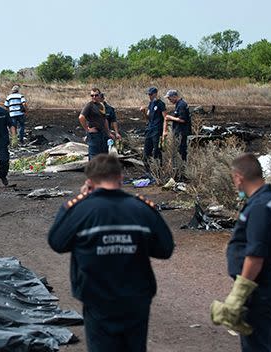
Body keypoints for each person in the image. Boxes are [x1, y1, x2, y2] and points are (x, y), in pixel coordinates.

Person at [48, 154, 174, 352]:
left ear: (89, 182)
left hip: (97, 299)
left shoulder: (81, 210)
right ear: (121, 178)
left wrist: (78, 200)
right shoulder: (141, 209)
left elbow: (57, 242)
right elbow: (165, 249)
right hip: (136, 298)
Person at [211, 153, 271, 352]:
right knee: (267, 344)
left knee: (257, 347)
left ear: (239, 178)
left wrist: (238, 295)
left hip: (257, 287)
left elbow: (255, 255)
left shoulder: (260, 207)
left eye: (233, 179)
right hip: (265, 283)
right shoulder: (270, 201)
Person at [78, 88, 114, 160]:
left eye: (96, 95)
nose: (94, 97)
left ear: (100, 95)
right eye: (92, 95)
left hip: (102, 134)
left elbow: (105, 120)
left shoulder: (101, 105)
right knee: (94, 157)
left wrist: (108, 132)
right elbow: (81, 117)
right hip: (94, 135)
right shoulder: (89, 105)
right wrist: (87, 129)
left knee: (104, 155)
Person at [140, 87, 167, 162]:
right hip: (149, 129)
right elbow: (148, 117)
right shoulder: (150, 103)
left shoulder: (160, 104)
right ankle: (148, 171)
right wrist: (143, 111)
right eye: (148, 94)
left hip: (157, 130)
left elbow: (165, 117)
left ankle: (158, 170)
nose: (149, 96)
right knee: (146, 152)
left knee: (157, 152)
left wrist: (165, 130)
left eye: (151, 94)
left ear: (155, 94)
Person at [163, 90, 191, 161]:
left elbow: (182, 119)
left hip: (182, 132)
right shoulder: (178, 104)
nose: (169, 100)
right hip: (178, 132)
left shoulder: (182, 105)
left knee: (182, 151)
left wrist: (170, 118)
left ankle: (183, 167)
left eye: (170, 98)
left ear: (174, 96)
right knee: (178, 151)